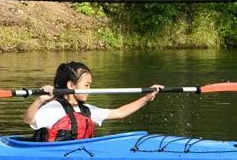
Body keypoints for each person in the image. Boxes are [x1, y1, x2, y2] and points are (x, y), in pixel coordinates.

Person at [23, 61, 163, 142]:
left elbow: (120, 112)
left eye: (90, 85)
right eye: (86, 85)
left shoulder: (87, 110)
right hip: (53, 155)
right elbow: (28, 120)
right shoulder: (53, 108)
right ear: (71, 85)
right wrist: (39, 101)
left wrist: (146, 98)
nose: (89, 90)